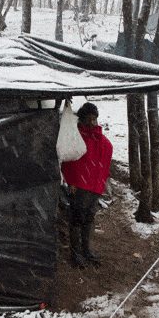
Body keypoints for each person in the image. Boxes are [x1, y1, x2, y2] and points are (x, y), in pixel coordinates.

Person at [61, 102, 113, 267]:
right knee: (77, 220)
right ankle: (76, 255)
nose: (92, 122)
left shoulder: (100, 139)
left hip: (94, 186)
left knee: (89, 220)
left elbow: (104, 160)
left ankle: (86, 250)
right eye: (88, 119)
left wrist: (103, 180)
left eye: (94, 119)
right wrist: (70, 181)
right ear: (82, 119)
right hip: (79, 186)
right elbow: (68, 160)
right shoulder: (77, 136)